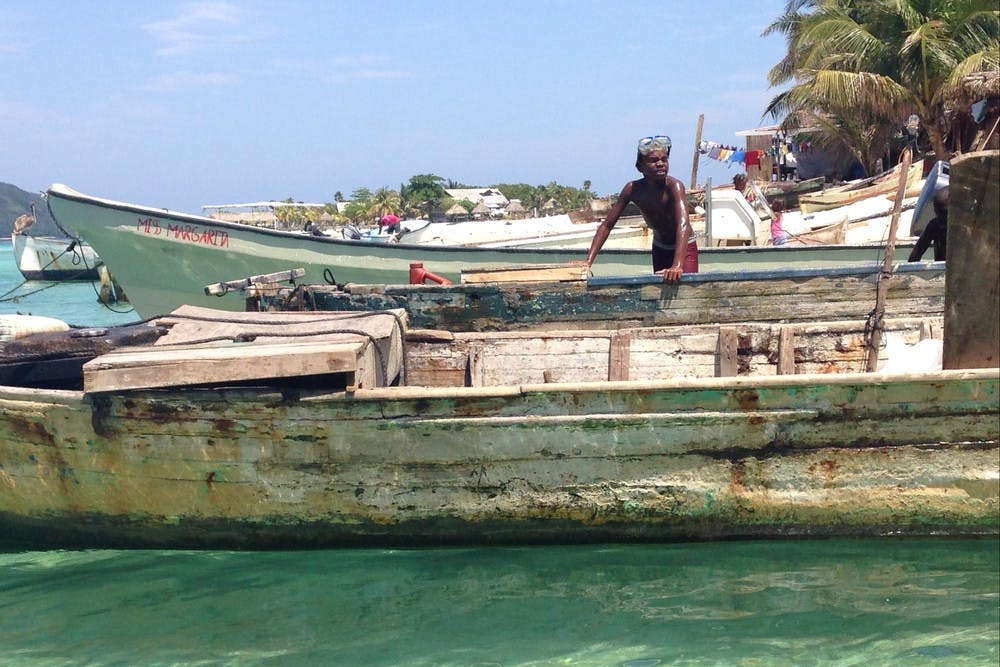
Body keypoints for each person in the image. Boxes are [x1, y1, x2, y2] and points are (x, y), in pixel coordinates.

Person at [587, 135, 697, 282]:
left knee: (685, 290)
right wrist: (587, 262)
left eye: (664, 159)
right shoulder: (632, 189)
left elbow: (683, 224)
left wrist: (677, 265)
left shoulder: (674, 186)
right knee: (659, 294)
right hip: (660, 247)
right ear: (640, 167)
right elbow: (607, 225)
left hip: (685, 247)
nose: (660, 164)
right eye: (653, 160)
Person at [908, 187, 949, 261]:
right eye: (938, 213)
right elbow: (916, 253)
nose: (940, 217)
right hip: (941, 270)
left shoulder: (968, 227)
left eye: (944, 213)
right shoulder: (935, 225)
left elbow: (916, 254)